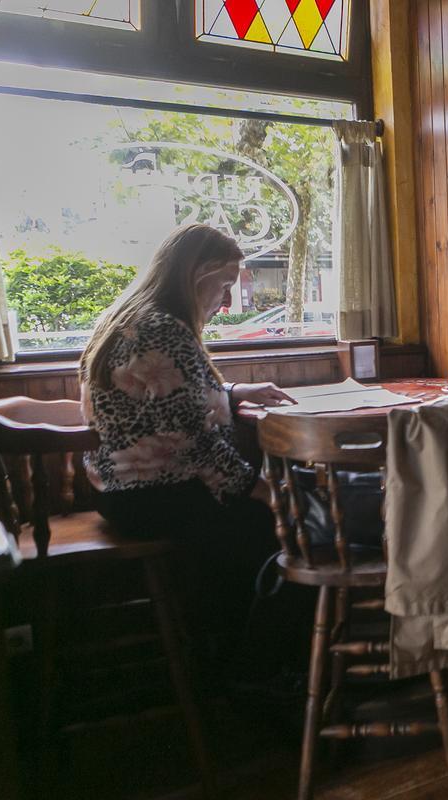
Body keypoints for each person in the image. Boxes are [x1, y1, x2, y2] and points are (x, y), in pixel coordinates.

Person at [79, 224, 293, 676]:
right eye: (225, 285)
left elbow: (164, 401)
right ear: (197, 273)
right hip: (152, 494)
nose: (227, 301)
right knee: (274, 525)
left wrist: (232, 392)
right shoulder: (163, 331)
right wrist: (264, 491)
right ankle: (254, 666)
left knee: (260, 514)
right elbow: (195, 444)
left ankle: (230, 654)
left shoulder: (133, 318)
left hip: (119, 489)